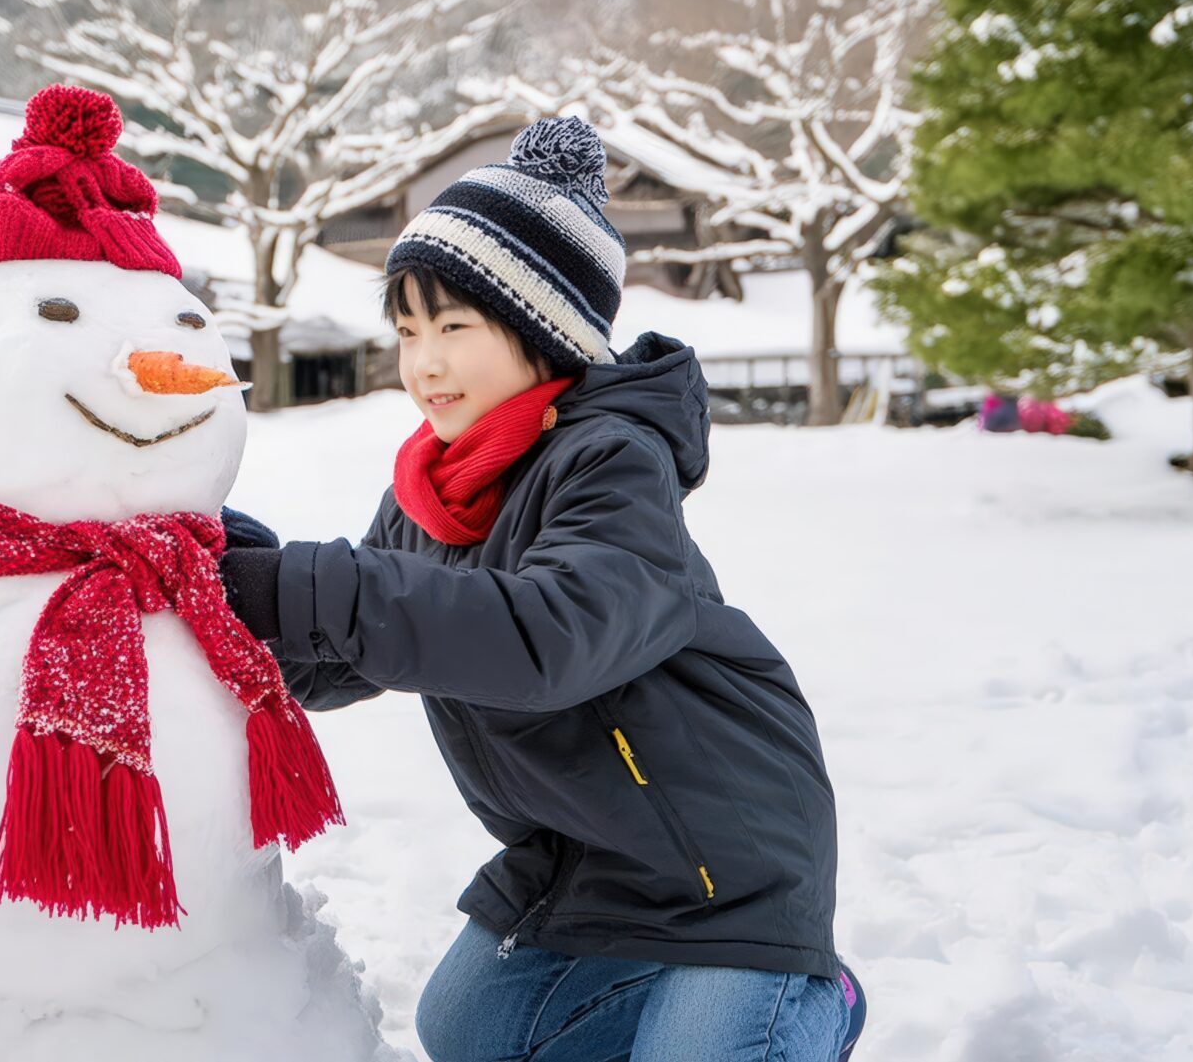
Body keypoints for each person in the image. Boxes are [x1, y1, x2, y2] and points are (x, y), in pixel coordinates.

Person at [216, 116, 864, 1062]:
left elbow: (549, 638)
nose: (422, 362)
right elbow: (345, 645)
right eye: (405, 332)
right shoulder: (433, 491)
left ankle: (809, 998)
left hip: (727, 862)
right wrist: (212, 565)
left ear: (540, 329)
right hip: (586, 859)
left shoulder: (612, 462)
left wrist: (298, 588)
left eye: (452, 327)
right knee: (469, 1031)